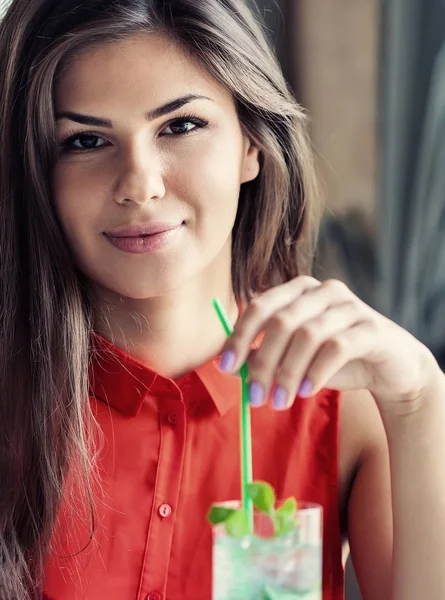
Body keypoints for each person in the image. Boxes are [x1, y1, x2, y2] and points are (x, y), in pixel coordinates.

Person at [0, 0, 444, 599]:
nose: (140, 184)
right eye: (84, 140)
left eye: (180, 126)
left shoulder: (347, 412)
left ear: (251, 145)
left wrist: (420, 396)